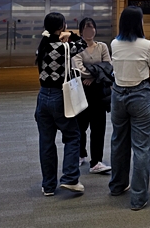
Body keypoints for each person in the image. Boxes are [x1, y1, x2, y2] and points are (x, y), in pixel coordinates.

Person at [109, 6, 150, 211]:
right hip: (140, 95)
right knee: (141, 147)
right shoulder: (147, 45)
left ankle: (117, 186)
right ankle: (138, 198)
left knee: (118, 141)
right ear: (139, 23)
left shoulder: (114, 43)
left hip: (118, 94)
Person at [34, 12, 88, 196]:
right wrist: (71, 34)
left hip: (42, 97)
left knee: (46, 142)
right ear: (61, 26)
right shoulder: (63, 48)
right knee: (73, 136)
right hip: (59, 96)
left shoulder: (42, 46)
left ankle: (48, 185)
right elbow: (82, 44)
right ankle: (70, 178)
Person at [72, 18, 113, 175]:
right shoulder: (76, 48)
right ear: (81, 31)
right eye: (86, 29)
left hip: (98, 93)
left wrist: (93, 77)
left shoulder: (102, 46)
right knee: (80, 126)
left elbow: (108, 66)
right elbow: (79, 69)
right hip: (81, 92)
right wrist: (98, 72)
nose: (89, 32)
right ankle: (80, 153)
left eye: (92, 28)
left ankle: (96, 161)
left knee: (98, 128)